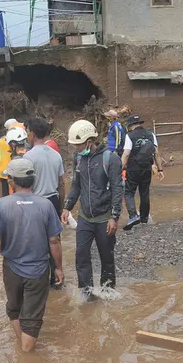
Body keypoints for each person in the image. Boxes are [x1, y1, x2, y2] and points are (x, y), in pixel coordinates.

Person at [0, 158, 64, 351]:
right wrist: (59, 268)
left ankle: (24, 358)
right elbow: (54, 240)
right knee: (32, 318)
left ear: (11, 180)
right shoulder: (46, 205)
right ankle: (27, 357)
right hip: (38, 270)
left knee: (14, 309)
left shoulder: (2, 205)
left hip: (11, 268)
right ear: (33, 180)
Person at [62, 120, 123, 300]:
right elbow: (76, 185)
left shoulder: (110, 159)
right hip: (85, 218)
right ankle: (86, 293)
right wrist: (67, 207)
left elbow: (117, 189)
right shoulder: (79, 158)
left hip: (104, 218)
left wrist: (114, 217)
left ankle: (108, 292)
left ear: (89, 141)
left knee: (107, 257)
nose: (76, 148)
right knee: (81, 255)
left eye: (78, 145)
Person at [22, 117, 65, 289]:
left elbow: (26, 187)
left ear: (32, 134)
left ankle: (39, 281)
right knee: (55, 241)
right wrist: (61, 208)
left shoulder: (28, 157)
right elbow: (61, 184)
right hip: (53, 200)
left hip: (36, 202)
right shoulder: (56, 155)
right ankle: (57, 277)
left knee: (36, 243)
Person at [121, 115, 163, 231]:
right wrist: (160, 170)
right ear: (139, 123)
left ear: (130, 126)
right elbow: (156, 154)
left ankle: (133, 216)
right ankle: (144, 220)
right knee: (144, 193)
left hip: (133, 169)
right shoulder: (151, 135)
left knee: (129, 192)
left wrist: (119, 169)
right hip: (147, 169)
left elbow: (126, 154)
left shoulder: (129, 136)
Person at [0, 118, 24, 197]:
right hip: (12, 172)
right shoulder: (15, 140)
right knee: (14, 194)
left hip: (2, 172)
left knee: (5, 195)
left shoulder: (0, 140)